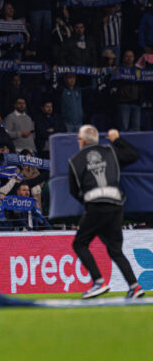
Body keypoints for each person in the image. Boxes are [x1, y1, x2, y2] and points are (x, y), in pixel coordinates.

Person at [69, 126, 144, 300]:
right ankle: (135, 286)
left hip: (95, 207)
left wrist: (88, 203)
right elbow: (133, 155)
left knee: (79, 244)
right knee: (115, 249)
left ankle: (98, 281)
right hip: (117, 204)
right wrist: (116, 139)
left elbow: (73, 190)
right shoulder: (111, 151)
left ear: (82, 141)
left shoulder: (75, 160)